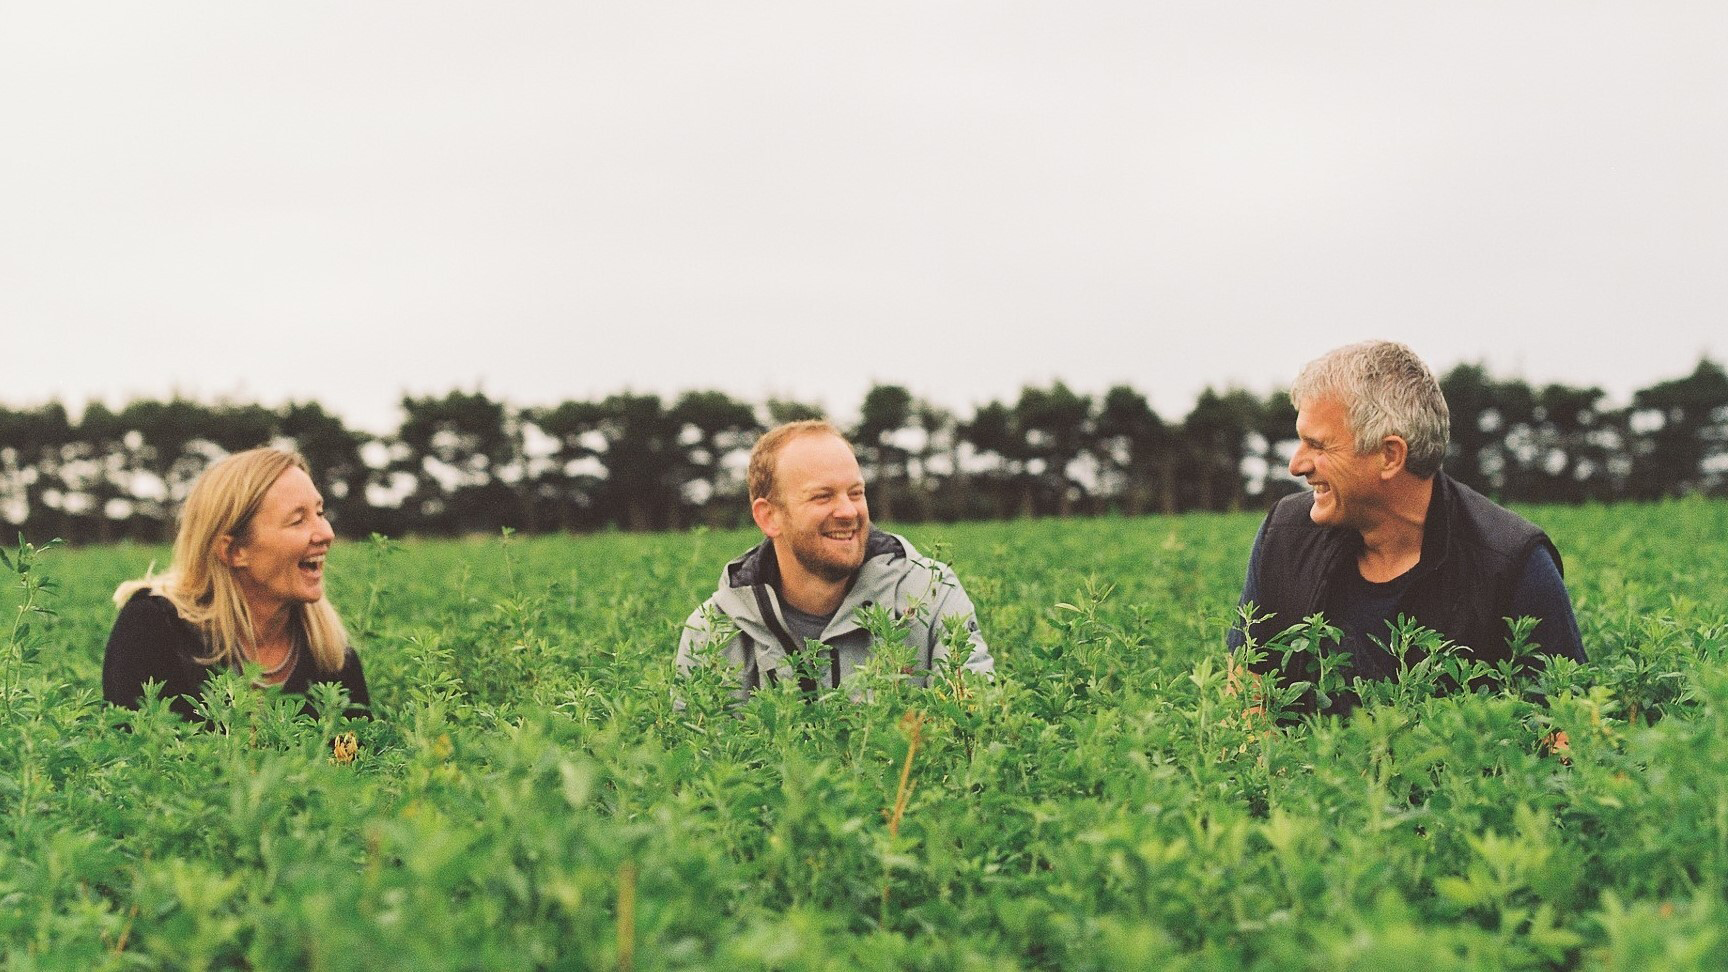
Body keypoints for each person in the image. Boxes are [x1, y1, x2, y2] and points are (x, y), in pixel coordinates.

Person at [1230, 340, 1585, 713]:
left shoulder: (1511, 564)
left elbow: (1564, 732)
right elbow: (1245, 705)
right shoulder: (1285, 535)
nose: (1297, 465)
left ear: (1389, 455)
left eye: (1318, 446)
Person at [677, 419, 993, 699]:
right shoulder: (713, 631)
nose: (848, 511)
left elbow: (973, 731)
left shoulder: (932, 594)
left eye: (855, 493)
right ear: (769, 516)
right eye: (823, 496)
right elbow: (696, 758)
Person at [103, 447, 370, 722]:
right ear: (233, 551)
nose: (327, 533)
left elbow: (364, 757)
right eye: (298, 520)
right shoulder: (153, 629)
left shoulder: (331, 653)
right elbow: (134, 754)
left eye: (320, 512)